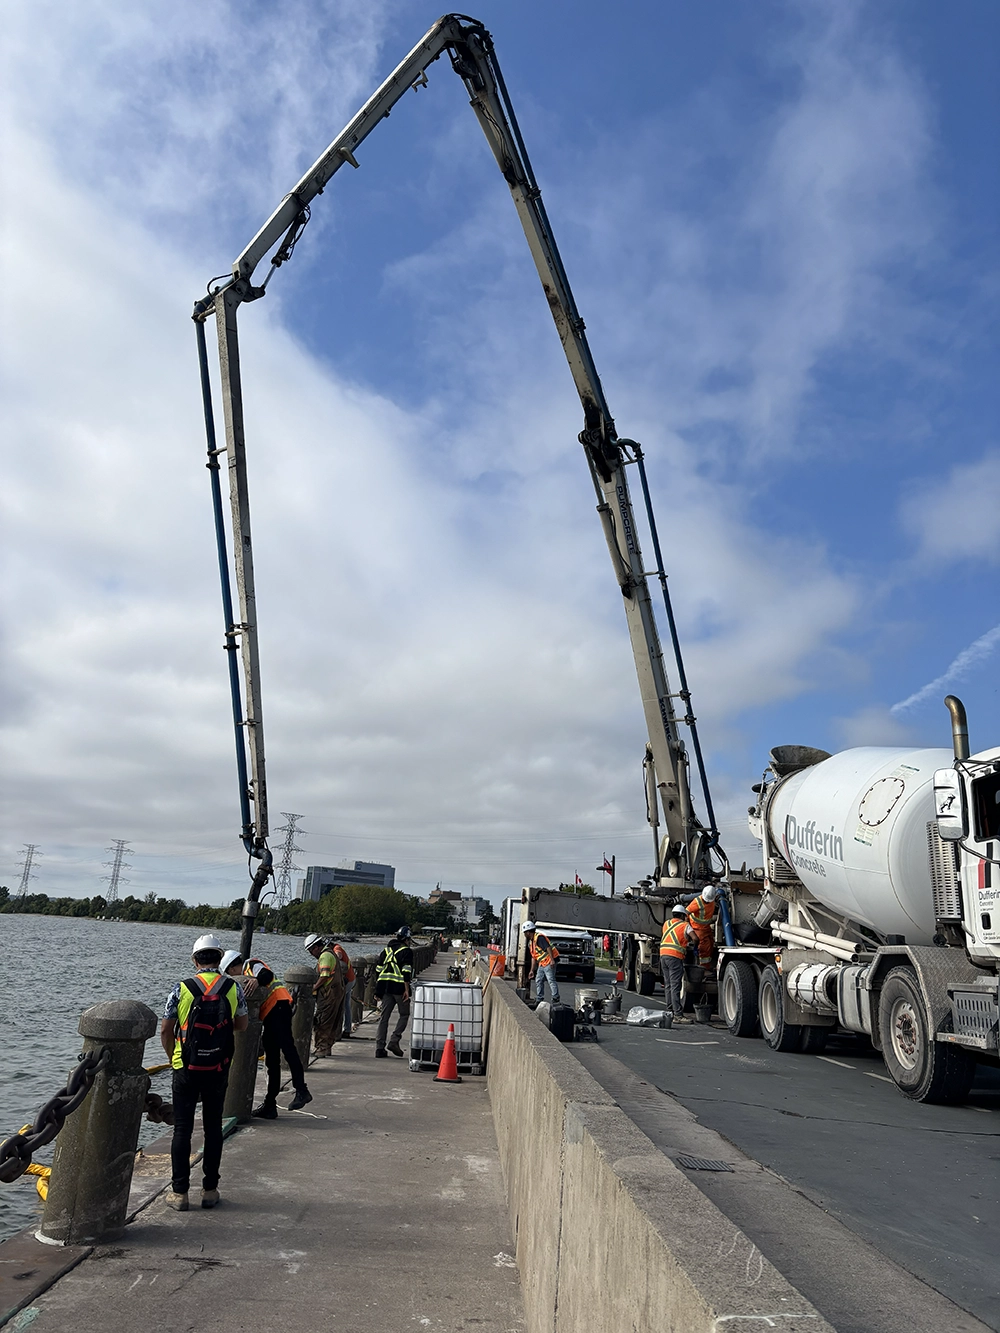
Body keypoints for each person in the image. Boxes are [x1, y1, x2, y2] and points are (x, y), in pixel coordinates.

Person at [160, 933, 247, 1212]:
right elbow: (242, 1025)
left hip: (185, 1066)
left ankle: (179, 1193)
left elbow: (165, 1029)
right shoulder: (233, 988)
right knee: (213, 1128)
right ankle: (210, 1189)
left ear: (195, 959)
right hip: (218, 1066)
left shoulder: (181, 988)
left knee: (182, 1129)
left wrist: (174, 1057)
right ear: (220, 959)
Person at [241, 958, 313, 1118]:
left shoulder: (251, 965)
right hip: (273, 1012)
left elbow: (266, 975)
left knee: (288, 1050)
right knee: (272, 1060)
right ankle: (270, 1105)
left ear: (233, 966)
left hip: (279, 1008)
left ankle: (301, 1090)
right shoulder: (248, 970)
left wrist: (256, 980)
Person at [374, 925, 413, 1058]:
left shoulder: (386, 951)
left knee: (384, 1018)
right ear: (406, 939)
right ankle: (394, 1040)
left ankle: (379, 1048)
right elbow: (406, 972)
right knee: (404, 1014)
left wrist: (377, 991)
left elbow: (378, 971)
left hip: (385, 989)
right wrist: (407, 991)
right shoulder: (406, 951)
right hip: (399, 989)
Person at [305, 933, 345, 1057]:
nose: (311, 954)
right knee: (332, 1022)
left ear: (316, 947)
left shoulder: (325, 956)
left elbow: (324, 976)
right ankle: (327, 1047)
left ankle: (321, 1048)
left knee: (322, 1022)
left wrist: (313, 988)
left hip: (329, 994)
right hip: (337, 993)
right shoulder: (331, 953)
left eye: (311, 951)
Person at [659, 906, 697, 1022]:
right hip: (675, 956)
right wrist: (694, 947)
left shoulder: (666, 924)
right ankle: (678, 1015)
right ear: (682, 915)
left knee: (668, 984)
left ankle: (669, 1011)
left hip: (663, 955)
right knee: (676, 985)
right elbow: (695, 938)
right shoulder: (685, 925)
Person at [523, 921, 560, 1004]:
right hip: (542, 963)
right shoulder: (531, 942)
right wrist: (532, 970)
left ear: (528, 932)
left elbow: (548, 948)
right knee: (539, 980)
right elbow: (534, 957)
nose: (524, 935)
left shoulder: (539, 938)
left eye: (525, 933)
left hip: (549, 961)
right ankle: (539, 998)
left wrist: (552, 960)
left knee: (551, 979)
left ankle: (555, 997)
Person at [686, 886, 718, 965]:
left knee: (711, 944)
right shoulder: (697, 902)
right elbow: (686, 912)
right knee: (704, 948)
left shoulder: (713, 898)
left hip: (706, 928)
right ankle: (703, 968)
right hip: (697, 928)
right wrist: (688, 928)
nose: (707, 902)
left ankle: (708, 965)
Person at [330, 939, 356, 1037]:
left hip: (347, 980)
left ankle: (338, 1031)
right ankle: (347, 1029)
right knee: (346, 1005)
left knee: (340, 1004)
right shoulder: (336, 947)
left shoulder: (337, 948)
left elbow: (338, 955)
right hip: (350, 978)